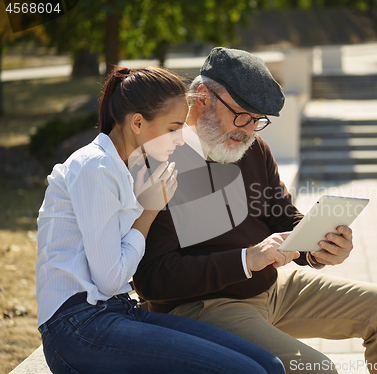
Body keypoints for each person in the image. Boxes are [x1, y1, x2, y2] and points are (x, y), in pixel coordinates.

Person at [133, 48, 377, 374]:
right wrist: (246, 259)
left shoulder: (251, 147)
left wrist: (318, 246)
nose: (248, 130)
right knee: (317, 369)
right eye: (243, 115)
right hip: (204, 305)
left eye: (258, 120)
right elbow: (152, 280)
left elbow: (283, 216)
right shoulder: (161, 160)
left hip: (271, 288)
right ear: (202, 97)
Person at [35, 65, 286, 374]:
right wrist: (149, 210)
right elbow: (110, 278)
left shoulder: (124, 167)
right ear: (138, 122)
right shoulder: (94, 168)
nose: (181, 139)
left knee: (270, 366)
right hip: (78, 327)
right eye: (173, 128)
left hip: (118, 311)